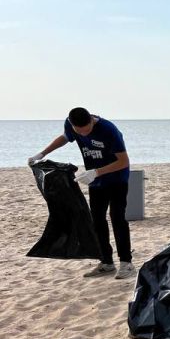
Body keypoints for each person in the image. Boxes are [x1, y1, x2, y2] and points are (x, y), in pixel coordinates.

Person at [28, 108, 136, 279]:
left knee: (117, 218)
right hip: (96, 181)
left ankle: (126, 263)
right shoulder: (71, 125)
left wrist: (96, 172)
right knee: (97, 220)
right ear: (72, 125)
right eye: (80, 132)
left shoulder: (108, 129)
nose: (84, 134)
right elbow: (64, 138)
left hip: (117, 178)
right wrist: (42, 153)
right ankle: (107, 262)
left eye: (87, 130)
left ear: (92, 120)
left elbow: (123, 161)